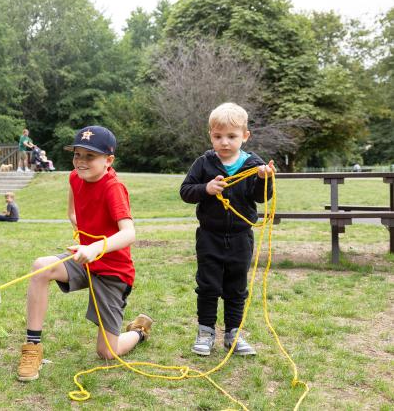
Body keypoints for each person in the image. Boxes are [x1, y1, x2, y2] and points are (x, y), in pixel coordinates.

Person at [16, 125, 152, 382]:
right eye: (78, 154)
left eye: (90, 156)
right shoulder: (74, 177)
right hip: (85, 260)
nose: (81, 161)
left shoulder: (114, 188)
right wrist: (83, 239)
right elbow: (72, 213)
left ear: (108, 160)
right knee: (41, 267)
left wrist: (95, 247)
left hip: (113, 270)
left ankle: (138, 331)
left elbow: (129, 233)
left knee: (107, 353)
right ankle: (32, 348)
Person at [179, 102, 275, 357]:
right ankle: (205, 331)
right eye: (218, 136)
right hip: (209, 236)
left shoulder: (254, 164)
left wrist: (264, 180)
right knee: (208, 285)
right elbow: (185, 192)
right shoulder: (204, 163)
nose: (224, 142)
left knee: (236, 287)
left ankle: (234, 333)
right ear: (210, 135)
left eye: (231, 137)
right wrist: (206, 189)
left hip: (241, 237)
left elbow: (261, 197)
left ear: (245, 136)